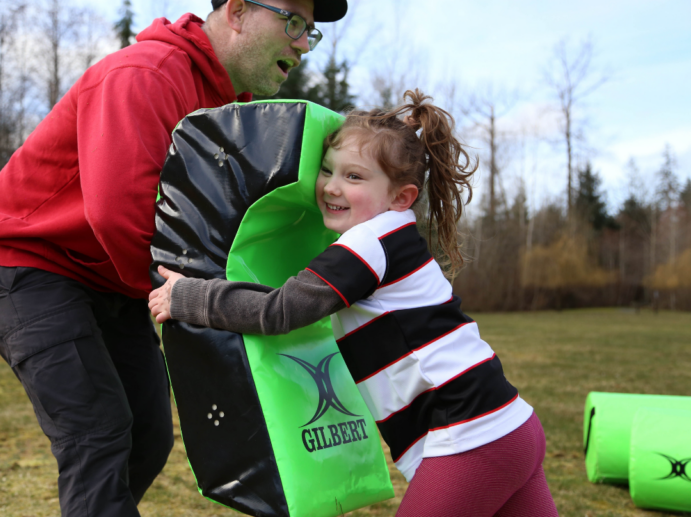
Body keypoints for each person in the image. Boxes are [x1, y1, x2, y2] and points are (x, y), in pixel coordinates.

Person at [0, 1, 347, 515]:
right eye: (293, 22)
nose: (302, 44)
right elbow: (122, 214)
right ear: (236, 11)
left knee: (147, 436)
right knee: (96, 434)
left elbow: (219, 224)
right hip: (30, 264)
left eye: (311, 32)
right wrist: (204, 305)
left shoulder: (233, 105)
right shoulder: (144, 76)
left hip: (113, 279)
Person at [149, 90, 559, 516]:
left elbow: (280, 311)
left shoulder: (367, 244)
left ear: (402, 197)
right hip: (513, 427)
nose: (331, 187)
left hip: (469, 436)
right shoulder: (396, 238)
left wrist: (189, 296)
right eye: (327, 170)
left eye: (354, 177)